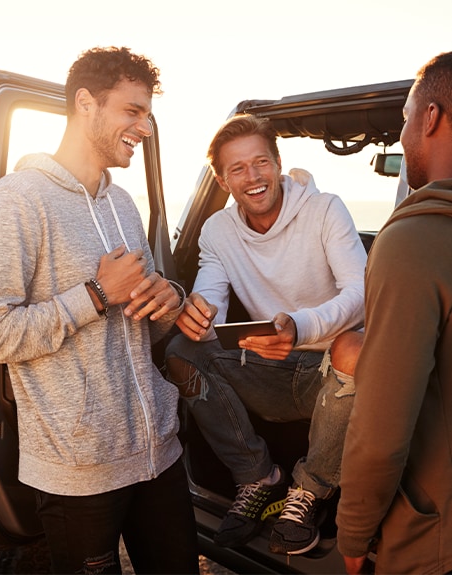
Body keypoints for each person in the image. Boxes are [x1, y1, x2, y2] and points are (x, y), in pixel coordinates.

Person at [0, 46, 199, 575]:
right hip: (79, 471)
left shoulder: (122, 204)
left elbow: (145, 320)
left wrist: (169, 298)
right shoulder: (18, 200)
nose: (147, 126)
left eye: (149, 113)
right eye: (133, 111)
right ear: (86, 104)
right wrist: (93, 295)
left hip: (157, 454)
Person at [165, 113, 367, 555]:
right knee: (182, 349)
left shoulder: (325, 208)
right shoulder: (218, 229)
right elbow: (211, 291)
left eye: (261, 163)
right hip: (267, 367)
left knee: (355, 349)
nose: (252, 177)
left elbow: (361, 292)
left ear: (277, 163)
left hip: (332, 374)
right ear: (222, 179)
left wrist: (300, 327)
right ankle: (257, 476)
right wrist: (197, 310)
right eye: (237, 169)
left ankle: (308, 491)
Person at [337, 51, 452, 575]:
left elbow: (382, 428)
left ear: (430, 119)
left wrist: (354, 532)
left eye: (405, 117)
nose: (401, 137)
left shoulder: (415, 240)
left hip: (434, 538)